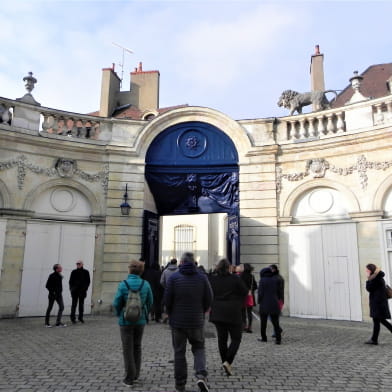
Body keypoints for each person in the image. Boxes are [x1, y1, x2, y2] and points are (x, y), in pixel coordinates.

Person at [164, 252, 213, 392]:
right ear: (193, 262)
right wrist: (202, 310)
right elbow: (209, 297)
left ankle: (180, 384)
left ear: (181, 262)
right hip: (196, 321)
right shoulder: (202, 278)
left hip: (178, 322)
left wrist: (171, 313)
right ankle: (200, 375)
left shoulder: (173, 278)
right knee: (199, 348)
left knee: (179, 352)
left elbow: (167, 300)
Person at [113, 260, 153, 387]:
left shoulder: (123, 284)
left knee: (127, 348)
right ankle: (136, 375)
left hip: (125, 320)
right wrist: (144, 312)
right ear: (141, 271)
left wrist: (120, 313)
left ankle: (129, 377)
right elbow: (150, 301)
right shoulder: (145, 284)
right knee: (137, 346)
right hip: (140, 320)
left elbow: (116, 302)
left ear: (129, 270)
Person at [209, 258, 247, 376]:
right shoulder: (235, 279)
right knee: (236, 338)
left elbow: (209, 294)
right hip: (233, 312)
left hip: (218, 312)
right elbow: (245, 291)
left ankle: (224, 362)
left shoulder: (212, 279)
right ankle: (228, 361)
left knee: (222, 339)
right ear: (229, 267)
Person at [365, 263, 392, 345]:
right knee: (380, 320)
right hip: (379, 302)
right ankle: (374, 339)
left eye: (367, 270)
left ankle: (374, 340)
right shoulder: (378, 277)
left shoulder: (375, 278)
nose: (366, 271)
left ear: (370, 270)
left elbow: (369, 288)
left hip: (378, 303)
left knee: (378, 320)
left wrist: (368, 279)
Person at [257, 267, 282, 344]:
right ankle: (278, 339)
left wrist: (259, 301)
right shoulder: (275, 280)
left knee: (263, 323)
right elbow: (278, 292)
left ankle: (264, 338)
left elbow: (260, 293)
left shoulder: (262, 280)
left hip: (264, 304)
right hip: (274, 303)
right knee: (276, 323)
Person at [240, 263, 258, 333]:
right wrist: (250, 290)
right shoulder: (252, 276)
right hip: (250, 296)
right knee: (249, 312)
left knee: (243, 312)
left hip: (242, 296)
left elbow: (240, 286)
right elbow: (255, 286)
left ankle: (244, 325)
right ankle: (249, 327)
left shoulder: (241, 276)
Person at [270, 264, 284, 337]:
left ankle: (277, 330)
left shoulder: (275, 278)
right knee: (275, 317)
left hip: (277, 300)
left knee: (273, 316)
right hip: (280, 299)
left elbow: (276, 290)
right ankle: (276, 330)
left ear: (274, 269)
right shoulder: (279, 277)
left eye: (271, 269)